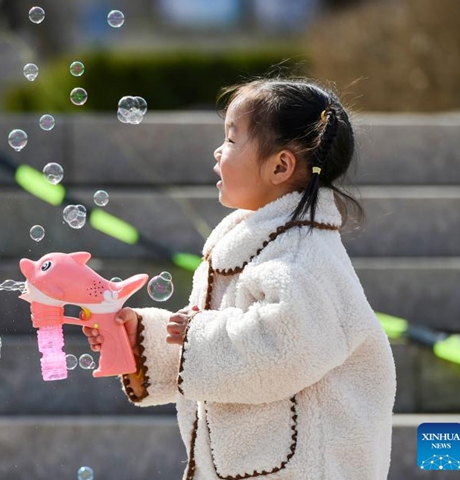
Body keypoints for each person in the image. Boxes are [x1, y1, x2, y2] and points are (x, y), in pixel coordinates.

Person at [84, 78, 397, 480]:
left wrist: (194, 334)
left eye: (231, 140)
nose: (218, 151)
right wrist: (146, 340)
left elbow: (282, 349)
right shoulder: (261, 243)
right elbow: (231, 340)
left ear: (280, 166)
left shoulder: (304, 257)